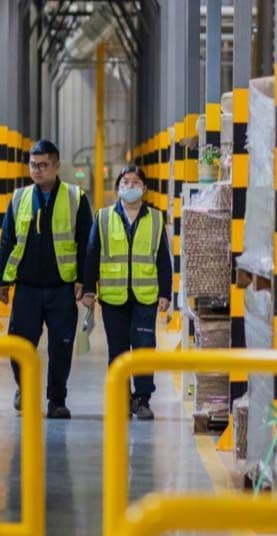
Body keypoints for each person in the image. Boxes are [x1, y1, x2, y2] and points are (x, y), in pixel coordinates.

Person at [0, 139, 93, 419]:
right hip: (26, 288)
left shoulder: (76, 197)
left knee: (61, 347)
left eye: (43, 165)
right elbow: (7, 240)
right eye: (33, 165)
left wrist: (84, 282)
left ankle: (56, 399)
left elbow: (86, 242)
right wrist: (2, 281)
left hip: (61, 288)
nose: (37, 170)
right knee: (19, 344)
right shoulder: (19, 198)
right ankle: (24, 389)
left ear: (56, 165)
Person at [81, 165, 172, 420]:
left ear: (144, 188)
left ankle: (142, 399)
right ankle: (121, 397)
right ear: (117, 188)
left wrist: (165, 292)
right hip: (113, 296)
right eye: (125, 183)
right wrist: (89, 289)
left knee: (144, 349)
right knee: (118, 349)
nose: (130, 187)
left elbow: (163, 259)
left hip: (145, 296)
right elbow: (91, 255)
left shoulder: (155, 218)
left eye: (135, 182)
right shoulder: (103, 217)